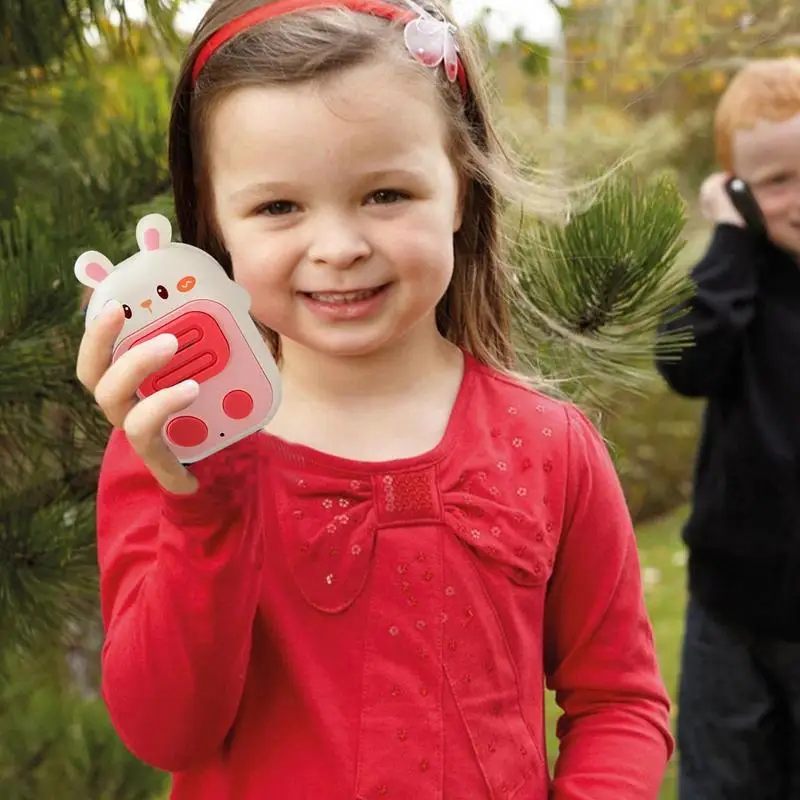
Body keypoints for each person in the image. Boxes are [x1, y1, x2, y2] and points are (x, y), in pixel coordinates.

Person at [76, 1, 672, 797]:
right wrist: (202, 509)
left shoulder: (551, 445)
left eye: (386, 194)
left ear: (461, 191)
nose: (340, 246)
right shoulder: (172, 452)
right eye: (278, 207)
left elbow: (618, 701)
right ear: (215, 226)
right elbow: (166, 729)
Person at [655, 58, 800, 799]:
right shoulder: (737, 283)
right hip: (732, 607)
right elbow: (685, 361)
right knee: (724, 784)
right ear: (738, 190)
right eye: (776, 182)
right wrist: (732, 243)